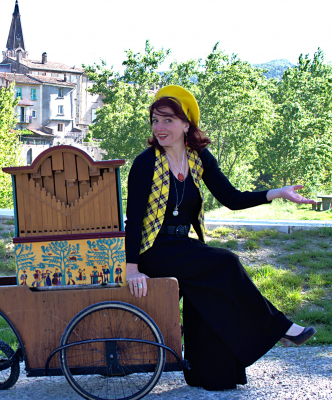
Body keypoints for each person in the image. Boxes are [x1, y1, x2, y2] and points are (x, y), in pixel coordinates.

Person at [125, 85, 317, 391]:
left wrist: (277, 193)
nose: (159, 127)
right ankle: (279, 327)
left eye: (168, 120)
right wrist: (132, 268)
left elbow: (232, 198)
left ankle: (211, 374)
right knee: (225, 262)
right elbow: (134, 219)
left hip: (182, 246)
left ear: (186, 124)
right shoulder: (146, 163)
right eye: (155, 121)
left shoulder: (198, 158)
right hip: (154, 250)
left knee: (208, 294)